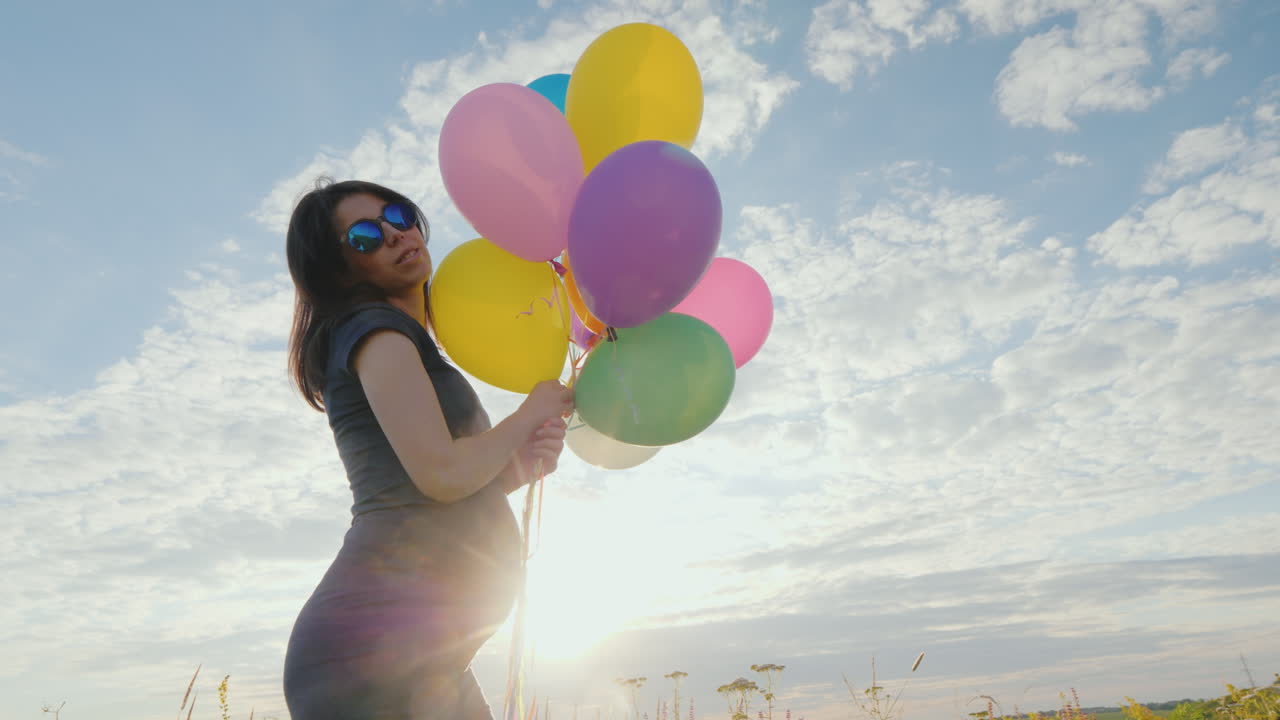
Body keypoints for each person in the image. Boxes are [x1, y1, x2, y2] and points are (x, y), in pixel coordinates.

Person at [281, 178, 573, 719]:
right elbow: (439, 475)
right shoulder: (378, 334)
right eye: (366, 236)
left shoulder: (405, 342)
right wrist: (527, 414)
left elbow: (428, 489)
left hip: (426, 661)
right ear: (342, 269)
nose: (394, 232)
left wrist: (515, 469)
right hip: (368, 659)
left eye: (397, 214)